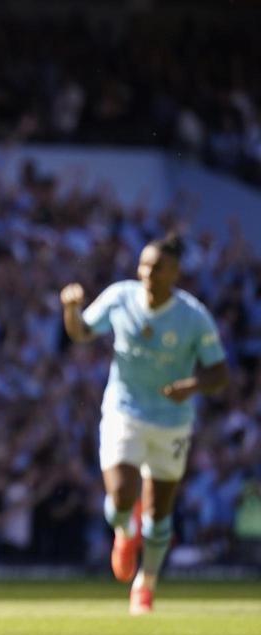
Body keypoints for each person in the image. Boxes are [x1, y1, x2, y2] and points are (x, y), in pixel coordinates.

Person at [60, 234, 228, 615]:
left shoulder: (193, 316)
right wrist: (71, 310)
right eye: (143, 265)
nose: (147, 272)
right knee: (121, 496)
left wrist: (194, 384)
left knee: (159, 512)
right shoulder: (120, 297)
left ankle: (145, 585)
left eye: (156, 267)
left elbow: (220, 373)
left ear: (174, 272)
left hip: (172, 423)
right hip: (125, 411)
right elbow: (82, 332)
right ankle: (123, 532)